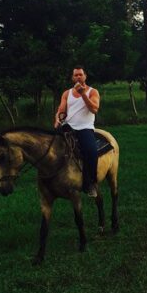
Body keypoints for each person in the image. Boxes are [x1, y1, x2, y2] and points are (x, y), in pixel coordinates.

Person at [54, 65, 100, 198]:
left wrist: (83, 94)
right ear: (72, 78)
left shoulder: (92, 92)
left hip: (85, 127)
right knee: (49, 145)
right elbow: (62, 110)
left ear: (85, 76)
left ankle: (89, 184)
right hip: (68, 126)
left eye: (81, 74)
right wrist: (59, 118)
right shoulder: (66, 93)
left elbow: (94, 109)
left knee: (91, 151)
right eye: (76, 75)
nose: (78, 77)